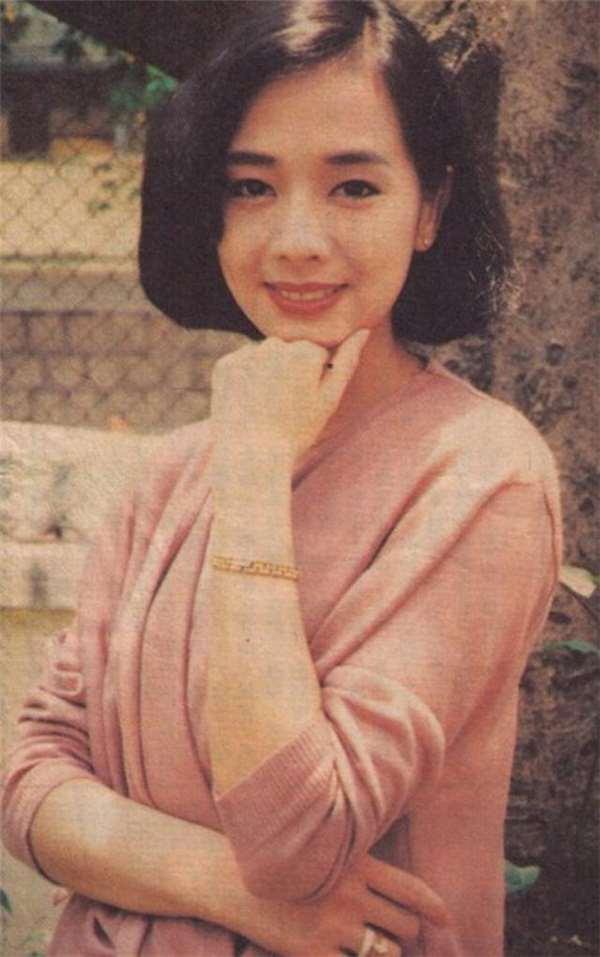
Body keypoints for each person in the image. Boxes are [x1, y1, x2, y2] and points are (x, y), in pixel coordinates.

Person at [2, 2, 561, 956]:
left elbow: (297, 839)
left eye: (354, 188)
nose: (296, 238)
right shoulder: (172, 470)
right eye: (251, 187)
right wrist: (224, 887)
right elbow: (32, 776)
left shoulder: (482, 476)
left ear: (430, 208)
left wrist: (255, 478)